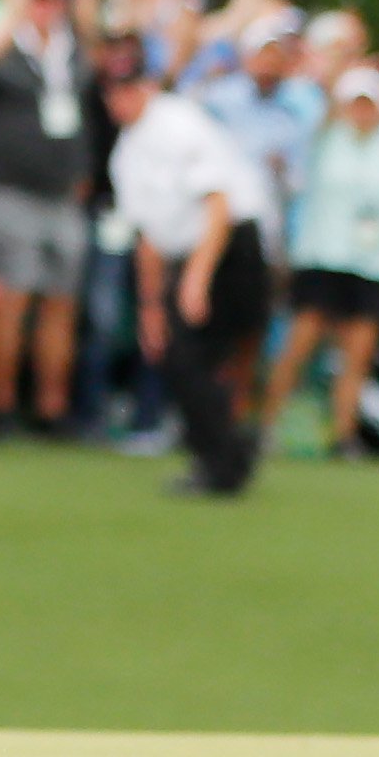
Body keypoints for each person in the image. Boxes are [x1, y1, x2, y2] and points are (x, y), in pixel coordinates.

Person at [102, 40, 273, 498]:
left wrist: (196, 280)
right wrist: (151, 307)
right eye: (113, 89)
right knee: (182, 357)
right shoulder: (125, 154)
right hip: (192, 254)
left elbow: (218, 205)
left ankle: (222, 460)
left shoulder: (179, 124)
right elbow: (149, 240)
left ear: (148, 85)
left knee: (192, 356)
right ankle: (227, 451)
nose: (121, 98)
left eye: (129, 86)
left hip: (228, 249)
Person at [0, 0, 95, 436]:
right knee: (10, 303)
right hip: (9, 194)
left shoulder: (71, 54)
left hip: (61, 198)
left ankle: (50, 409)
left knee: (61, 306)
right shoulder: (4, 47)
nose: (45, 4)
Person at [272, 62, 379, 458]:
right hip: (323, 256)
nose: (362, 111)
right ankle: (266, 425)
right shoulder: (326, 137)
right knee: (299, 347)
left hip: (371, 263)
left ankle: (343, 435)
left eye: (369, 103)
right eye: (356, 102)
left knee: (357, 356)